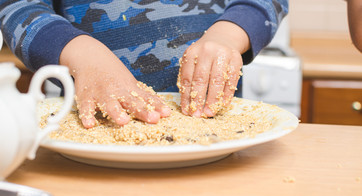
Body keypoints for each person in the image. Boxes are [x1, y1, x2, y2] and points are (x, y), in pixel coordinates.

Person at [0, 0, 288, 128]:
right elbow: (17, 6)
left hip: (215, 132)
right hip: (96, 132)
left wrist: (228, 34)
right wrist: (82, 53)